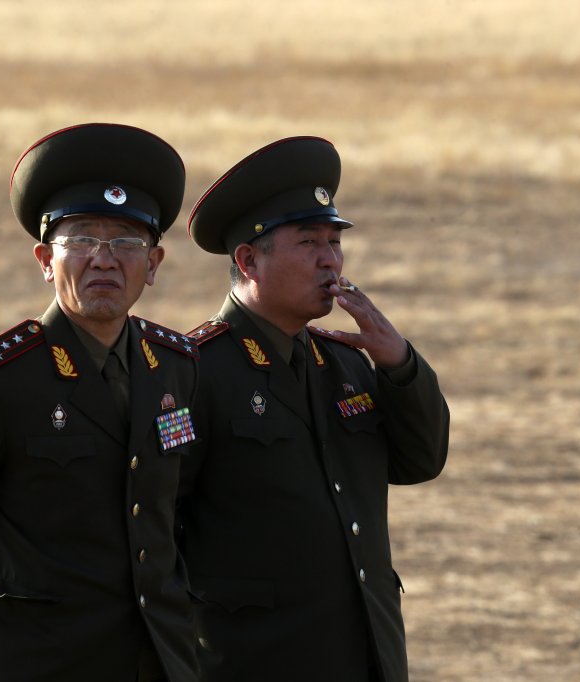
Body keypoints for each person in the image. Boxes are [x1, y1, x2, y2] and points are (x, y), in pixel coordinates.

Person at [0, 123, 201, 682]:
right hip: (30, 661)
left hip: (152, 661)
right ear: (45, 259)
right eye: (82, 240)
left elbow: (174, 513)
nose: (104, 259)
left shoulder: (178, 368)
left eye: (126, 242)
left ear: (155, 263)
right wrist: (3, 623)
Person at [178, 136, 450, 682]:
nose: (330, 259)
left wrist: (399, 365)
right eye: (308, 242)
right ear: (249, 260)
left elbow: (420, 461)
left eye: (334, 241)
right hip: (251, 660)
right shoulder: (191, 372)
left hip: (363, 653)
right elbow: (152, 529)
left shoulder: (346, 363)